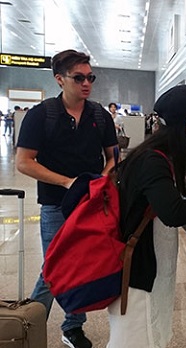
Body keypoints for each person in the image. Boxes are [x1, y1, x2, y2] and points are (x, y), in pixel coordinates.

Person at [106, 84, 186, 347]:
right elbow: (172, 213)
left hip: (148, 272)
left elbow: (162, 202)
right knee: (140, 338)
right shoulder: (153, 160)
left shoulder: (160, 156)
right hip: (138, 276)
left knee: (152, 335)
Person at [15, 49, 118, 348]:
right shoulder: (41, 115)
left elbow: (113, 156)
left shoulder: (99, 115)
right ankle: (29, 323)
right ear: (60, 80)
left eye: (90, 77)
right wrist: (67, 182)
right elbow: (24, 161)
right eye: (78, 78)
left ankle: (72, 327)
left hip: (90, 203)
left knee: (83, 263)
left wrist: (101, 179)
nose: (86, 83)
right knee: (54, 267)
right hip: (55, 205)